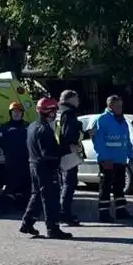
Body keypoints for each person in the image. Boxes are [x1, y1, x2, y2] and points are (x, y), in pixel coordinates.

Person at [20, 97, 73, 239]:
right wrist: (67, 149)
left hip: (34, 165)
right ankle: (53, 228)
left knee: (36, 194)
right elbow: (48, 154)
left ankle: (27, 223)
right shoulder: (44, 130)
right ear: (49, 112)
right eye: (54, 110)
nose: (56, 113)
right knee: (51, 198)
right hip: (46, 167)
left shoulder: (32, 126)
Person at [92, 95, 133, 223]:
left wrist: (130, 155)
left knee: (119, 186)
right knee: (105, 187)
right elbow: (98, 141)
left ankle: (121, 210)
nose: (120, 108)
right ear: (110, 106)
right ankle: (104, 213)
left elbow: (126, 139)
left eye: (121, 105)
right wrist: (104, 159)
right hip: (108, 161)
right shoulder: (102, 120)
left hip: (120, 160)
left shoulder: (122, 120)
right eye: (117, 105)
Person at [56, 90, 83, 226]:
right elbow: (68, 133)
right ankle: (65, 213)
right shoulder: (69, 112)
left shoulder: (58, 111)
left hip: (58, 152)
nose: (78, 101)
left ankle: (62, 211)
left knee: (63, 184)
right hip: (68, 152)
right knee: (69, 183)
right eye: (77, 98)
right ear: (71, 98)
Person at [0, 101, 30, 210]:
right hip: (11, 160)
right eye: (14, 112)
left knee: (25, 182)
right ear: (10, 113)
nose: (16, 114)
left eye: (18, 111)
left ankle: (23, 203)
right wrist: (9, 150)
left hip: (26, 160)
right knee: (11, 181)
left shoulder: (28, 126)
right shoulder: (4, 127)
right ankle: (9, 203)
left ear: (22, 113)